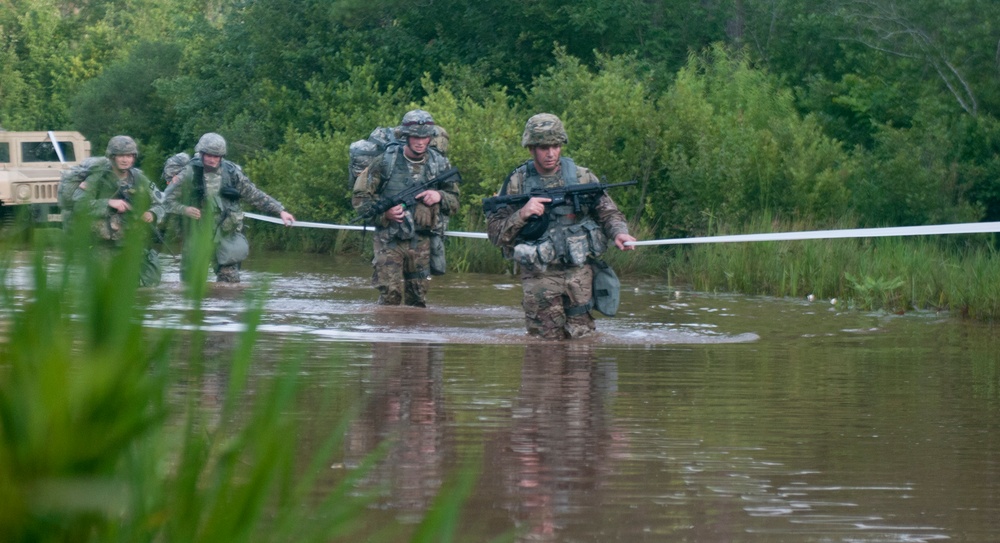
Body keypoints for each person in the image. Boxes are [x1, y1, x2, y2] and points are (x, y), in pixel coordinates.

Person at [486, 113, 637, 339]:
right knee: (543, 347)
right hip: (539, 276)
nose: (551, 153)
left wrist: (620, 233)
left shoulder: (581, 177)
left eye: (556, 146)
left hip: (579, 273)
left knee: (582, 345)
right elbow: (496, 234)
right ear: (531, 148)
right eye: (544, 147)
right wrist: (523, 213)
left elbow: (609, 212)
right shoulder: (517, 183)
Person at [352, 109, 460, 307]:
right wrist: (385, 213)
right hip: (389, 240)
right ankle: (386, 335)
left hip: (422, 240)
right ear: (406, 137)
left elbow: (455, 202)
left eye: (425, 137)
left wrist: (439, 196)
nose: (420, 142)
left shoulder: (440, 164)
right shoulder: (385, 162)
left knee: (418, 299)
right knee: (390, 296)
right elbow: (360, 200)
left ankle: (414, 337)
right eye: (415, 137)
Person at [161, 132, 294, 283]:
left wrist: (280, 211)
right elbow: (165, 201)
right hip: (197, 236)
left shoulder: (231, 172)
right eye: (209, 155)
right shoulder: (188, 174)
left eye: (216, 156)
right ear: (202, 153)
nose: (212, 160)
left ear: (222, 156)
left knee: (230, 287)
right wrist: (184, 209)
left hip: (226, 235)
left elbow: (253, 194)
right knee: (191, 287)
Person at [73, 135, 163, 286]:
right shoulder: (97, 178)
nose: (125, 160)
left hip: (132, 245)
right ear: (112, 157)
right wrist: (108, 203)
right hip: (104, 247)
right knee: (102, 288)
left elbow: (161, 203)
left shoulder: (140, 178)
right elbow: (78, 205)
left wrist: (152, 213)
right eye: (121, 155)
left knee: (140, 287)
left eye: (129, 155)